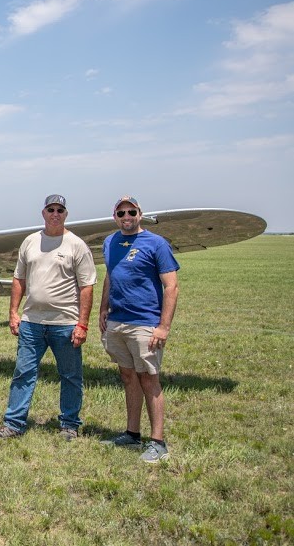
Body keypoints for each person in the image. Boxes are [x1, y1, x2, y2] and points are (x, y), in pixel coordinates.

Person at [0, 195, 96, 441]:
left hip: (65, 323)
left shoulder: (76, 244)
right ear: (43, 213)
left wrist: (82, 324)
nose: (55, 214)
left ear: (65, 214)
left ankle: (69, 425)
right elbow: (19, 278)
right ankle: (14, 423)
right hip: (32, 322)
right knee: (23, 373)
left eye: (60, 210)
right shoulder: (30, 241)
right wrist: (13, 312)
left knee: (70, 376)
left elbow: (87, 286)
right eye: (51, 209)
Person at [99, 196, 180, 463]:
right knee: (128, 376)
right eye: (121, 212)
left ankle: (158, 442)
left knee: (149, 378)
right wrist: (102, 309)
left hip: (145, 322)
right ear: (115, 216)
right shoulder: (110, 242)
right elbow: (110, 277)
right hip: (117, 320)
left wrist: (163, 327)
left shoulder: (157, 244)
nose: (126, 216)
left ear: (140, 214)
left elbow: (171, 286)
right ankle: (132, 434)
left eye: (131, 212)